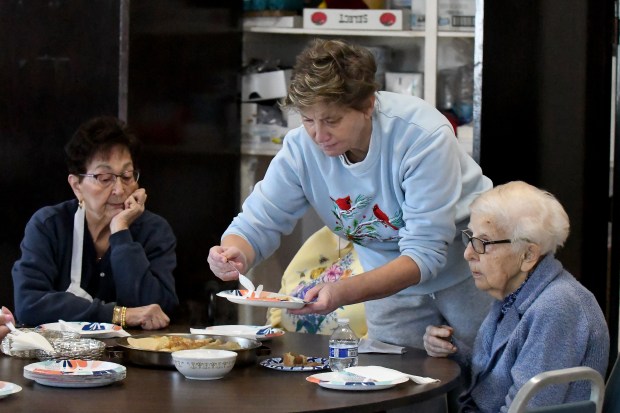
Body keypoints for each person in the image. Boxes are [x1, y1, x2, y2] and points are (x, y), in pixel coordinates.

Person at [208, 38, 494, 352]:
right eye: (307, 120)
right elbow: (258, 222)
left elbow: (425, 253)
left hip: (468, 268)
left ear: (368, 104)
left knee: (483, 375)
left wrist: (343, 291)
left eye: (332, 120)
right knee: (398, 379)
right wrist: (235, 253)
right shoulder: (301, 149)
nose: (318, 135)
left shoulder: (421, 136)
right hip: (386, 279)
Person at [423, 181, 610, 412]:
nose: (468, 253)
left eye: (483, 242)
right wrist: (452, 349)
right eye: (470, 238)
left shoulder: (557, 306)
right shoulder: (516, 294)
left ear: (528, 254)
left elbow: (528, 406)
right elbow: (497, 376)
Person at [12, 116, 178, 330]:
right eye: (104, 177)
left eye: (127, 176)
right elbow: (29, 304)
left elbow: (157, 310)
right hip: (56, 360)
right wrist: (118, 314)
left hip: (132, 359)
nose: (119, 190)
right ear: (77, 186)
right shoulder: (49, 226)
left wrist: (120, 232)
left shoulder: (154, 230)